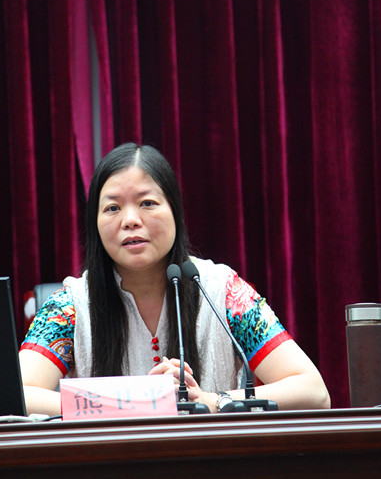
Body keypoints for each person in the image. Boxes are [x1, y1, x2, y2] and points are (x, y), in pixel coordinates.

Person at [19, 143, 330, 416]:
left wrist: (212, 401)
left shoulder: (224, 291)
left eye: (147, 203)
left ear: (175, 213)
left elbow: (314, 392)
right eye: (112, 208)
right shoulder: (70, 306)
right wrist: (132, 403)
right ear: (95, 225)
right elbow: (17, 396)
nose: (130, 220)